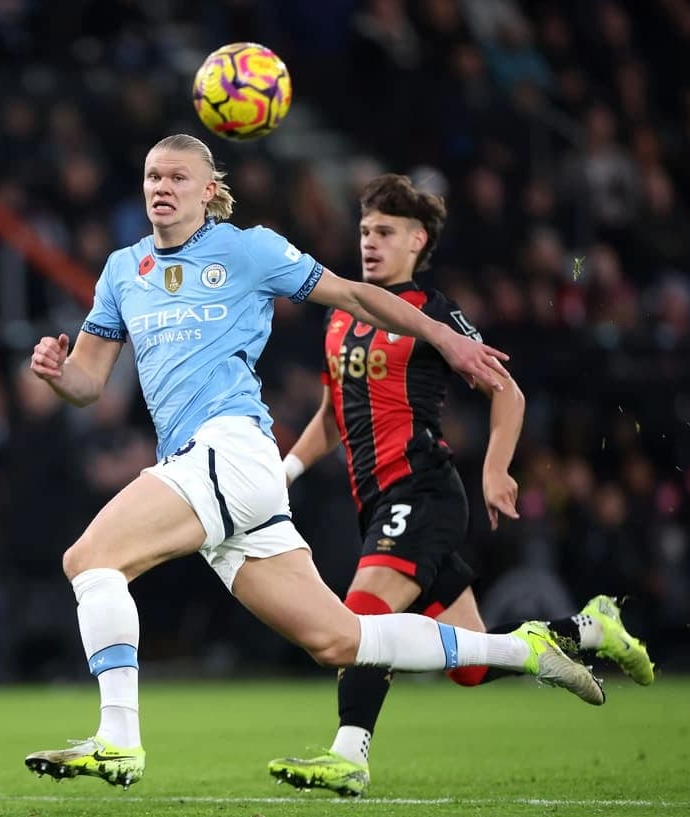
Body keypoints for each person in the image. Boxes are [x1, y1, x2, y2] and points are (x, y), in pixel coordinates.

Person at [23, 134, 604, 791]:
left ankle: (118, 739)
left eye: (179, 177)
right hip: (220, 473)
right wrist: (56, 373)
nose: (162, 187)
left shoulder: (249, 249)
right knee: (339, 639)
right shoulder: (122, 270)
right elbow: (88, 383)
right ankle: (525, 649)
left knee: (90, 559)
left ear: (209, 191)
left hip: (229, 448)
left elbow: (355, 296)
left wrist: (441, 333)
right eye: (153, 175)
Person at [266, 174, 655, 797]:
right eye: (365, 230)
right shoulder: (341, 314)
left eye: (385, 232)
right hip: (379, 505)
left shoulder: (433, 313)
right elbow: (331, 414)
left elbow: (508, 391)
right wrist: (284, 471)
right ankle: (590, 629)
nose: (369, 242)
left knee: (359, 618)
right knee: (472, 663)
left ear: (417, 240)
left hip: (421, 491)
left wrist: (496, 467)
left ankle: (350, 756)